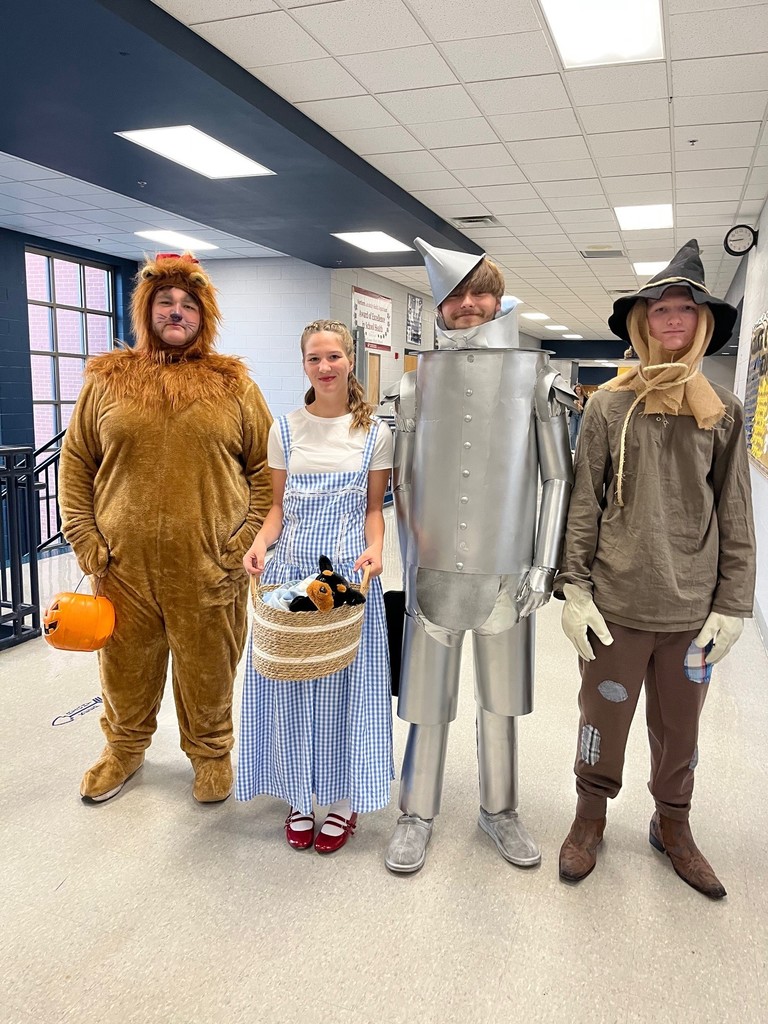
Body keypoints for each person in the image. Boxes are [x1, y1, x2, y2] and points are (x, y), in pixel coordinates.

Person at [555, 239, 756, 899]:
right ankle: (589, 817)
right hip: (615, 605)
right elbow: (584, 503)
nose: (673, 320)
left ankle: (674, 825)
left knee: (681, 729)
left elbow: (736, 513)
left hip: (690, 613)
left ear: (701, 323)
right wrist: (574, 588)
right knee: (600, 719)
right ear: (644, 322)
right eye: (661, 310)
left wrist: (734, 604)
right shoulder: (609, 406)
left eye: (684, 311)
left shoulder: (722, 410)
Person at [384, 239, 575, 875]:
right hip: (432, 572)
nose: (468, 306)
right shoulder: (415, 384)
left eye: (478, 294)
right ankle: (415, 814)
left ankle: (501, 809)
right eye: (455, 296)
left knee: (501, 705)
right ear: (439, 307)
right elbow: (403, 483)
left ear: (498, 299)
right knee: (426, 705)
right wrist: (409, 564)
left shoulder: (538, 380)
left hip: (510, 571)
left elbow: (557, 478)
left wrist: (544, 565)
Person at [59, 252, 273, 805]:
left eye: (187, 305)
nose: (176, 313)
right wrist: (85, 537)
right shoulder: (107, 382)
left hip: (209, 564)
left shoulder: (235, 386)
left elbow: (267, 469)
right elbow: (77, 461)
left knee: (209, 670)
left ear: (204, 315)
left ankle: (211, 753)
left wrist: (243, 542)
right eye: (164, 303)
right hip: (121, 565)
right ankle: (124, 750)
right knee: (125, 669)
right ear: (145, 311)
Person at [236, 319, 394, 854]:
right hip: (291, 580)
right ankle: (299, 797)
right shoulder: (283, 429)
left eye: (333, 357)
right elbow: (276, 509)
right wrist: (260, 543)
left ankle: (345, 802)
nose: (325, 367)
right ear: (303, 365)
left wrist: (377, 549)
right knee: (292, 685)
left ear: (351, 361)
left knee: (345, 691)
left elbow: (374, 511)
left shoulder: (375, 434)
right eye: (314, 359)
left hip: (348, 579)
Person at [568, 383, 586, 450]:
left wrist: (581, 407)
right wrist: (573, 404)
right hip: (573, 414)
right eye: (576, 389)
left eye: (579, 389)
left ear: (581, 390)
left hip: (580, 415)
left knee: (579, 432)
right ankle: (572, 448)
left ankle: (580, 449)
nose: (578, 391)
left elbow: (586, 408)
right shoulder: (573, 397)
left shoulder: (585, 398)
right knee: (572, 432)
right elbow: (568, 407)